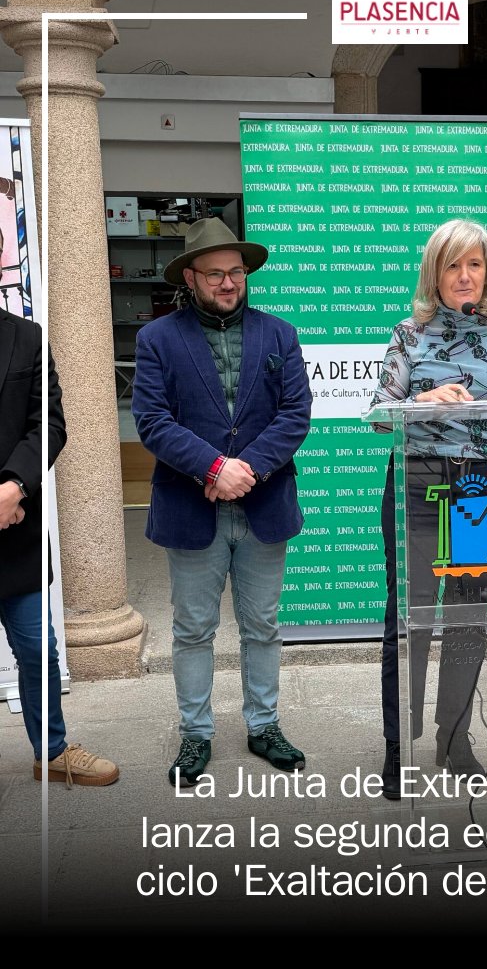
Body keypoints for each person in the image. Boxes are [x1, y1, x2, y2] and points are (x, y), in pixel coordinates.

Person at [132, 218, 312, 786]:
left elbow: (295, 416)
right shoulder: (157, 339)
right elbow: (152, 421)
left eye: (236, 272)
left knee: (261, 626)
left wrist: (246, 470)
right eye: (216, 274)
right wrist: (213, 467)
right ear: (191, 277)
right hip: (191, 509)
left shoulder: (279, 334)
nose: (229, 283)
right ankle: (196, 735)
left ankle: (263, 725)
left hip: (263, 505)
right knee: (193, 630)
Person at [370, 219, 487, 799]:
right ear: (434, 274)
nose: (465, 276)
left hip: (483, 486)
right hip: (420, 479)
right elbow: (380, 412)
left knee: (467, 618)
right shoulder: (410, 334)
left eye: (475, 264)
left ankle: (453, 736)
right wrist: (421, 399)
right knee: (410, 619)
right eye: (453, 265)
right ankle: (397, 746)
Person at [0, 309, 118, 786]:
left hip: (16, 528)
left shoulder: (26, 336)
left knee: (39, 650)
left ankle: (50, 751)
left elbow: (48, 421)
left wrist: (13, 487)